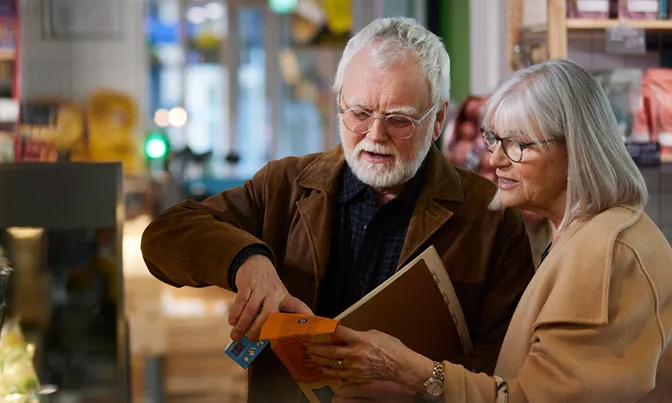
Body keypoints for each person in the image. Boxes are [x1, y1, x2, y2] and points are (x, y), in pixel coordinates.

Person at [141, 17, 535, 403]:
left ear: (436, 121)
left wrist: (420, 385)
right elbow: (165, 235)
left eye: (399, 120)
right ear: (339, 104)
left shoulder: (491, 215)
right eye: (359, 114)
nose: (375, 136)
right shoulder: (285, 186)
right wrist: (246, 260)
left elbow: (509, 360)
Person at [306, 59, 672, 402]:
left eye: (518, 144)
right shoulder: (581, 234)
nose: (495, 159)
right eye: (493, 139)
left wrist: (412, 371)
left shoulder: (606, 253)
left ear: (576, 148)